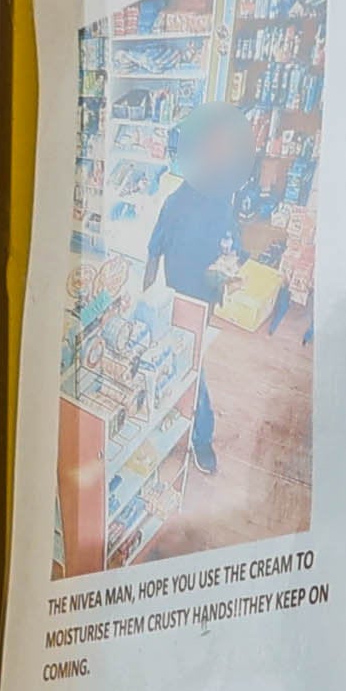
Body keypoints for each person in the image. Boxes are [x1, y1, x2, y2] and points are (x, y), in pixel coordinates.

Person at [144, 101, 252, 472]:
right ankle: (194, 434)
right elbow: (153, 249)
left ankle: (199, 435)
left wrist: (227, 268)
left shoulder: (223, 200)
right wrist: (146, 301)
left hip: (202, 302)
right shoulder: (176, 203)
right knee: (187, 367)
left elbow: (234, 250)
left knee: (192, 365)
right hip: (176, 297)